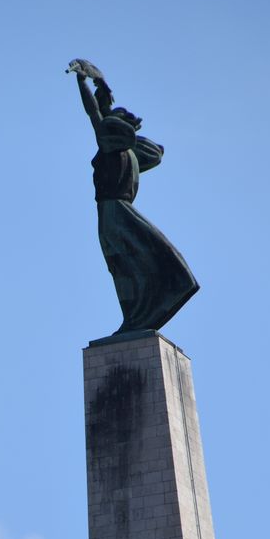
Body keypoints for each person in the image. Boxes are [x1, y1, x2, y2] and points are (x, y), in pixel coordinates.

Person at [69, 59, 199, 334]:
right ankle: (137, 315)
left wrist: (82, 83)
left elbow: (94, 115)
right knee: (132, 262)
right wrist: (101, 86)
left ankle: (135, 316)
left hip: (111, 212)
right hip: (122, 211)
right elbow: (104, 119)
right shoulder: (133, 153)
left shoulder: (113, 147)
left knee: (122, 264)